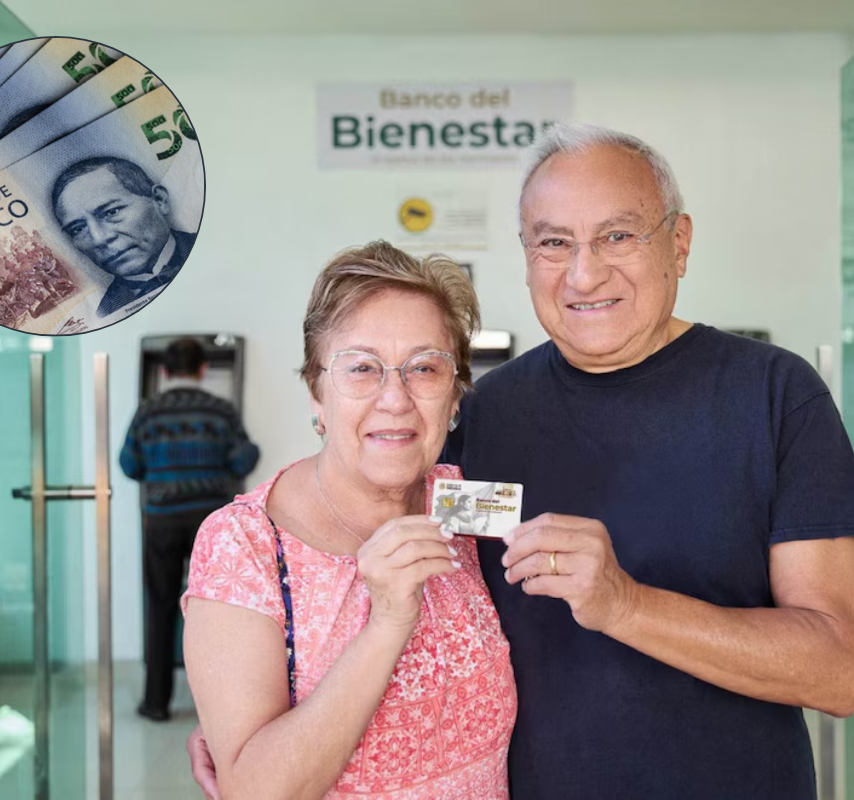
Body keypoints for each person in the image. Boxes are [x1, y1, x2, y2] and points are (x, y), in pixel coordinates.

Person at [189, 123, 854, 799]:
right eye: (554, 242)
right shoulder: (482, 418)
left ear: (680, 242)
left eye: (618, 235)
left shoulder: (774, 395)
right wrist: (245, 731)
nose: (585, 271)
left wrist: (626, 605)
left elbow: (840, 672)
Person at [181, 243, 517, 798]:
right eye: (361, 368)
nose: (395, 398)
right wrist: (386, 622)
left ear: (454, 397)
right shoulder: (242, 544)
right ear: (316, 390)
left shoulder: (460, 500)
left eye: (425, 368)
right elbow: (256, 790)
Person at [120, 337, 260, 721]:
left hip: (161, 520)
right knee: (213, 611)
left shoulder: (148, 412)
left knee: (160, 605)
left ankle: (156, 703)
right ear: (202, 370)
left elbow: (129, 465)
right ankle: (215, 709)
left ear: (164, 371)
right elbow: (244, 458)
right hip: (210, 524)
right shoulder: (221, 411)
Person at [50, 155, 195, 318]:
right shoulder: (103, 316)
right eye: (78, 229)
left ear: (159, 200)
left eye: (112, 212)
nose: (99, 238)